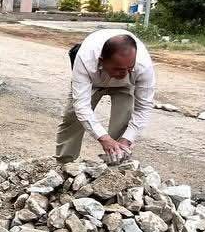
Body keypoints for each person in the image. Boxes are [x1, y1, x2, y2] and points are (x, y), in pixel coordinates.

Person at [56, 29, 156, 163]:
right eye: (119, 69)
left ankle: (116, 164)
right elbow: (82, 106)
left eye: (129, 68)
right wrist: (104, 138)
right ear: (102, 61)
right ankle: (64, 164)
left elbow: (143, 108)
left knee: (124, 120)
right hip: (93, 81)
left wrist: (127, 139)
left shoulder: (143, 66)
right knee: (73, 117)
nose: (124, 74)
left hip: (125, 86)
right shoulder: (85, 58)